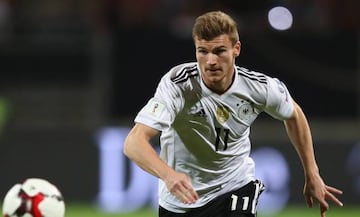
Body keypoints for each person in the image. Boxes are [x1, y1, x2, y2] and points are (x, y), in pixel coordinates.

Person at [123, 10, 343, 217]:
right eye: (203, 51)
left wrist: (312, 172)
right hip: (181, 201)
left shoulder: (258, 87)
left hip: (235, 185)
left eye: (219, 51)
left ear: (236, 49)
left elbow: (294, 115)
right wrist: (168, 175)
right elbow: (134, 142)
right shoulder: (179, 84)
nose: (210, 61)